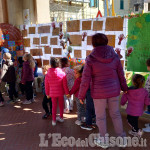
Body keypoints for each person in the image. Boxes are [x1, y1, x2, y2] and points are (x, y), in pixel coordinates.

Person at [78, 33, 128, 148]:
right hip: (114, 91)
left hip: (99, 92)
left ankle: (104, 140)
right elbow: (121, 74)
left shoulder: (90, 59)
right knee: (115, 114)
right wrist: (124, 88)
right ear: (106, 41)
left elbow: (85, 80)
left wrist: (81, 95)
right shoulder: (115, 56)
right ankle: (122, 139)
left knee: (100, 117)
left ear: (93, 43)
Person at [45, 57, 69, 126]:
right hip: (61, 93)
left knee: (54, 106)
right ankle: (61, 117)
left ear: (51, 64)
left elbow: (47, 86)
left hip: (52, 93)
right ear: (59, 64)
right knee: (61, 105)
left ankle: (54, 120)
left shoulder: (47, 74)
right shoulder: (62, 73)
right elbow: (65, 85)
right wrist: (67, 93)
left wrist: (47, 94)